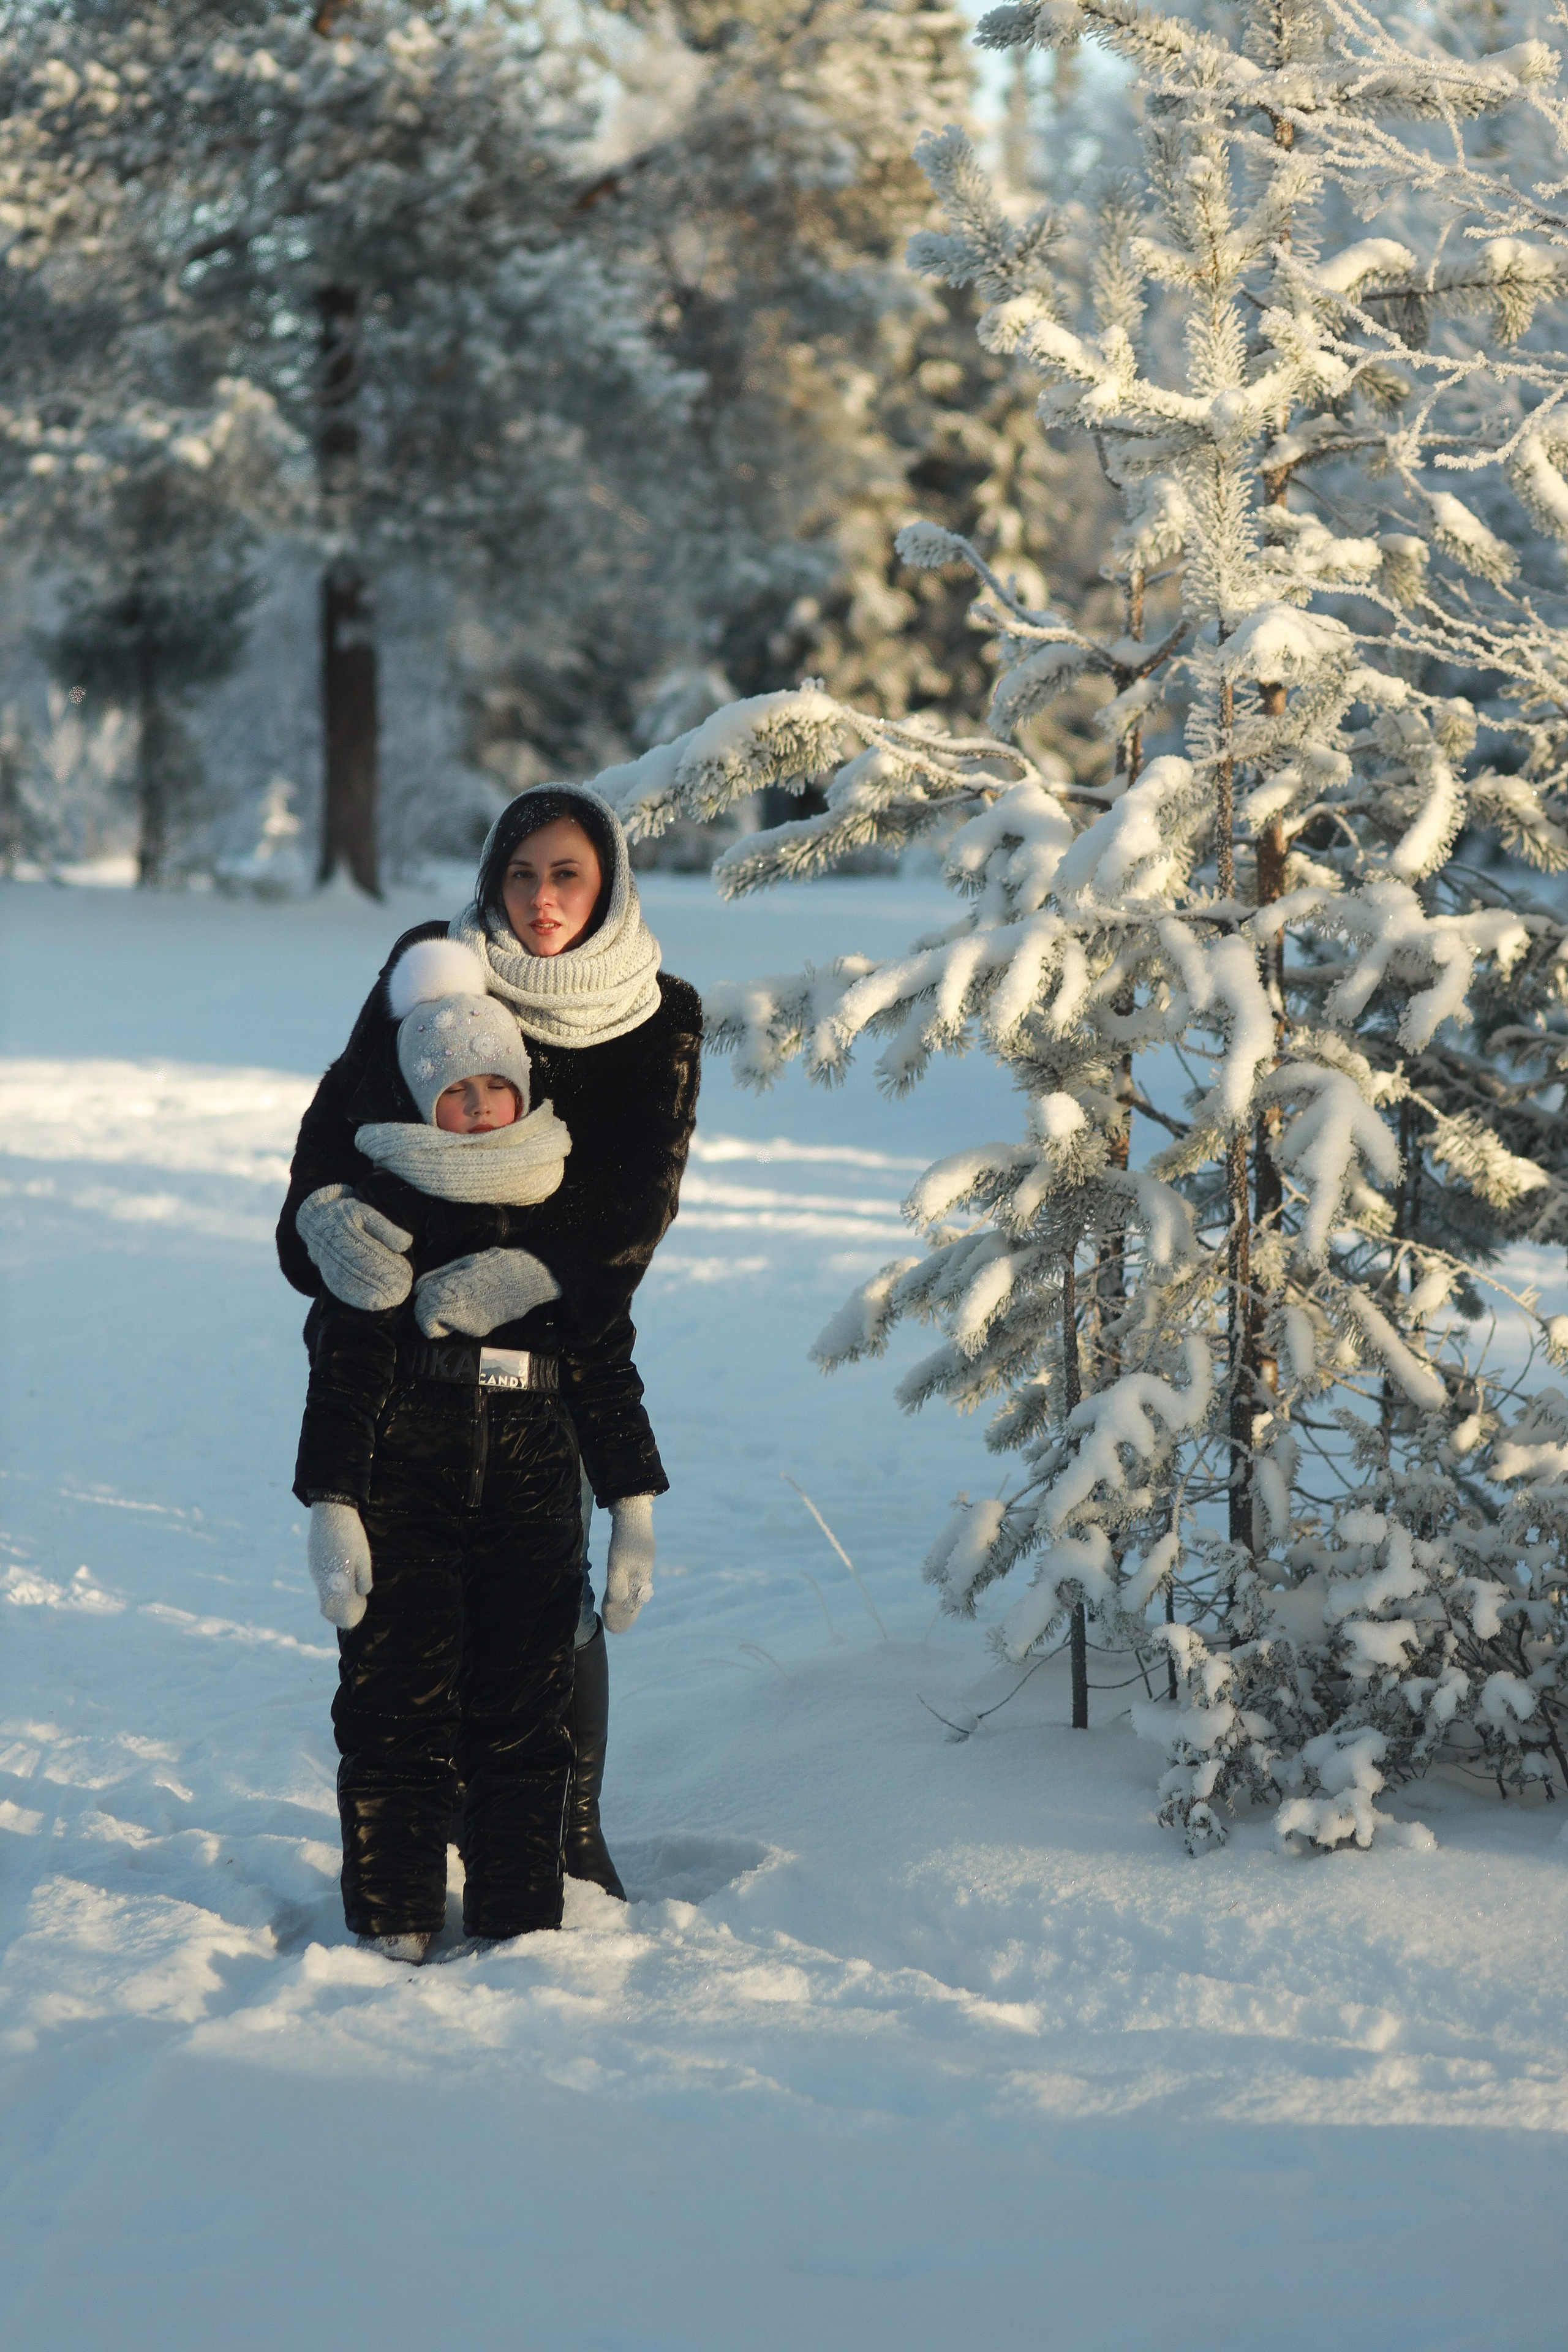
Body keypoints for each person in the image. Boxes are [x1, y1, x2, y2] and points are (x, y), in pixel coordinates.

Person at [277, 786, 701, 1957]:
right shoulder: (433, 974)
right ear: (492, 878)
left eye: (568, 875)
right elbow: (336, 1138)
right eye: (522, 874)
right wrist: (320, 1220)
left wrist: (539, 1275)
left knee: (544, 1622)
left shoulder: (659, 1015)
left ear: (607, 883)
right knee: (404, 1651)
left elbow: (638, 1208)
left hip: (557, 1344)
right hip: (402, 1360)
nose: (543, 900)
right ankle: (411, 1866)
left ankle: (563, 1833)